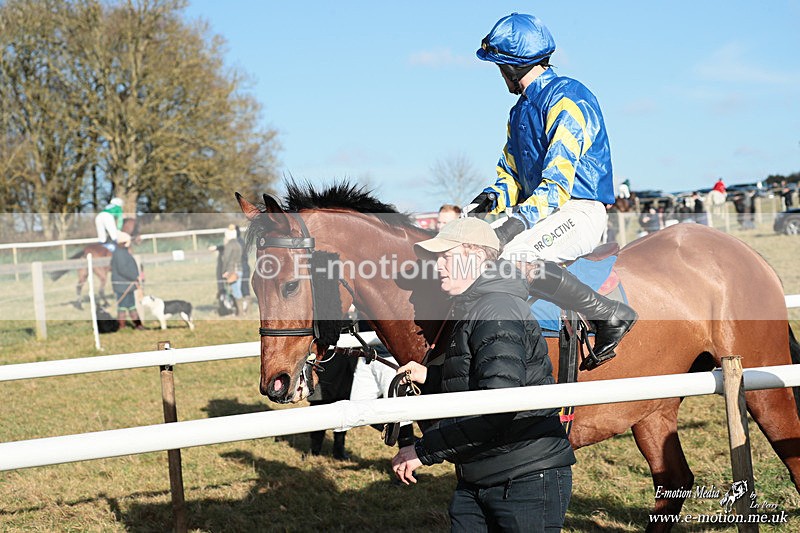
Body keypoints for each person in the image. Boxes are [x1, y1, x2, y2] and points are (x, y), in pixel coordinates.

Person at [463, 13, 636, 366]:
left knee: (515, 259)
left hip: (579, 210)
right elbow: (510, 175)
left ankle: (608, 315)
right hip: (542, 213)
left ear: (512, 67)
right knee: (474, 253)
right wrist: (488, 201)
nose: (499, 75)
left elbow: (556, 186)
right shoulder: (518, 112)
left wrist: (513, 224)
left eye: (499, 67)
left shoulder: (568, 99)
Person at [391, 217, 575, 531]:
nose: (438, 267)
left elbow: (498, 405)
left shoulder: (496, 309)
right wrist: (430, 377)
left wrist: (423, 450)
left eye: (446, 257)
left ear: (476, 257)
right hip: (483, 474)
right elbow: (481, 382)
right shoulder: (475, 307)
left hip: (522, 480)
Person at [110, 231, 144, 330]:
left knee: (131, 305)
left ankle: (138, 325)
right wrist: (134, 276)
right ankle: (122, 326)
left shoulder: (122, 251)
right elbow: (123, 269)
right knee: (123, 307)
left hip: (126, 284)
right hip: (122, 286)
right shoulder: (119, 253)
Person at [221, 225, 244, 315]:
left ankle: (240, 312)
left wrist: (224, 271)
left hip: (232, 270)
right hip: (240, 269)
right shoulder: (238, 244)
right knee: (238, 290)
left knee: (236, 291)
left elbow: (226, 259)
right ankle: (240, 311)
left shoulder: (229, 245)